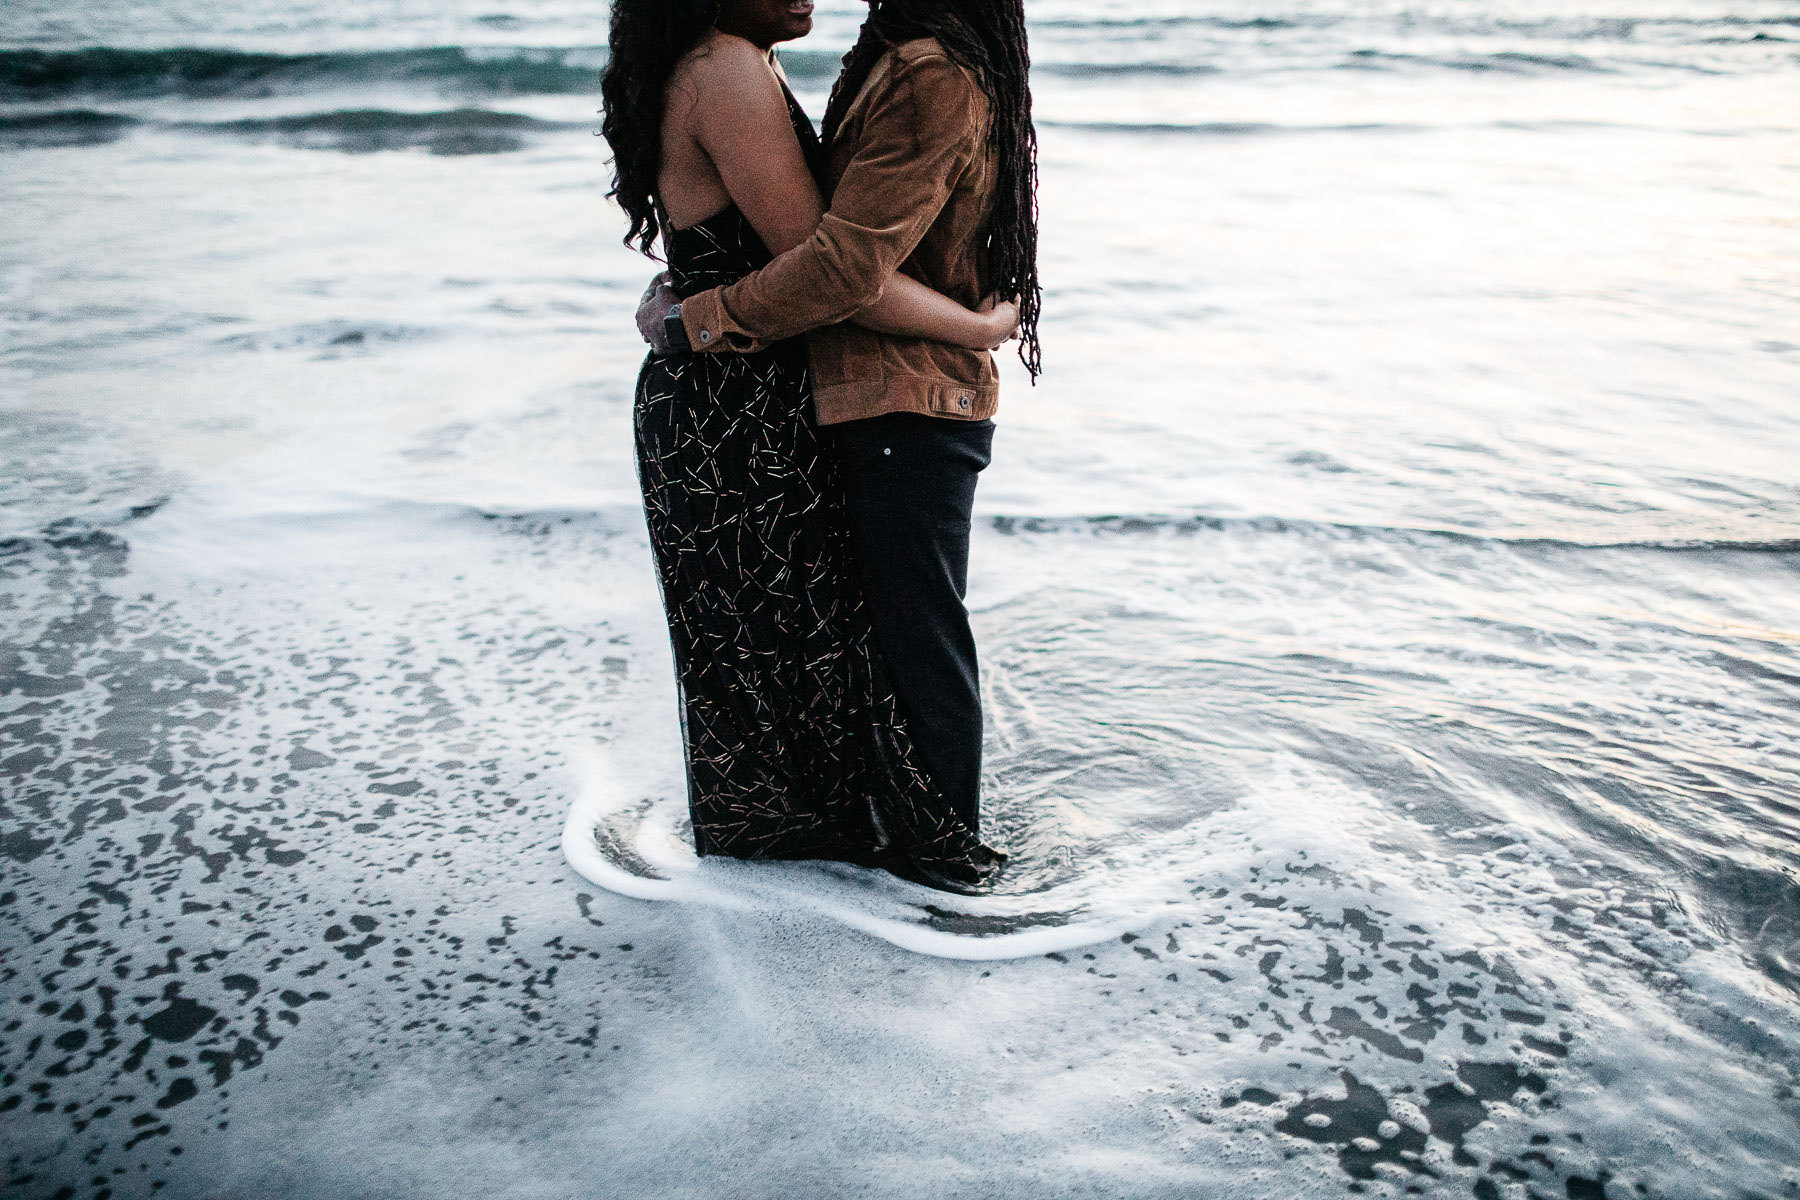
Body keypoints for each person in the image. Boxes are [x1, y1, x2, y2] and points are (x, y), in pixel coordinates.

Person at [601, 0, 1019, 889]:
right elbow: (834, 271)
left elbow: (755, 252)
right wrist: (973, 330)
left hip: (739, 389)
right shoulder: (727, 68)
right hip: (734, 401)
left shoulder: (727, 59)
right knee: (766, 659)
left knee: (775, 655)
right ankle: (820, 897)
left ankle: (803, 887)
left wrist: (686, 311)